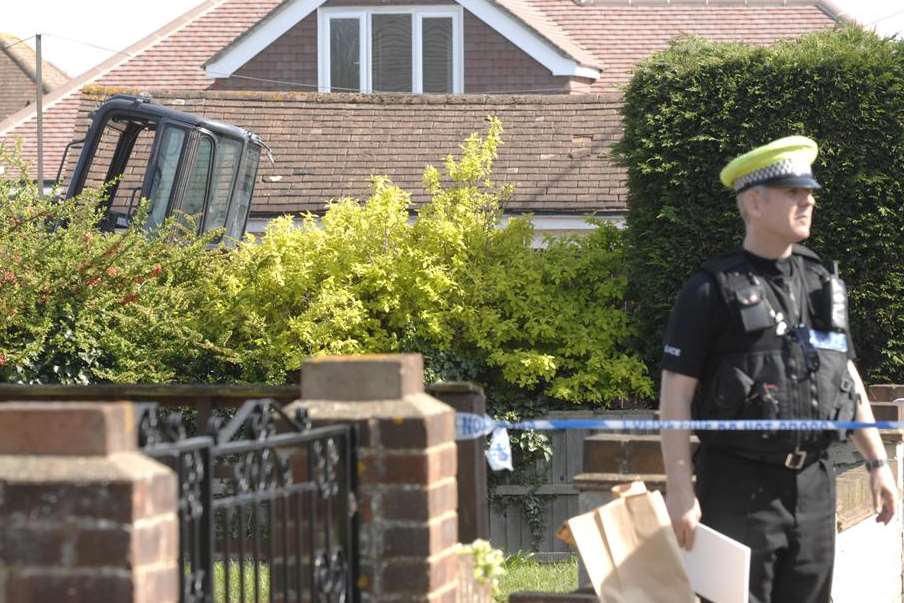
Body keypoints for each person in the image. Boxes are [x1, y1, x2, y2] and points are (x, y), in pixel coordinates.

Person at [658, 136, 896, 603]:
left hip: (814, 485)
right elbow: (675, 395)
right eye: (793, 191)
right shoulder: (711, 290)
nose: (808, 199)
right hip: (738, 486)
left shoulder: (823, 284)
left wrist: (877, 463)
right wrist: (681, 491)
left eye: (809, 192)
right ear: (754, 201)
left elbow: (847, 380)